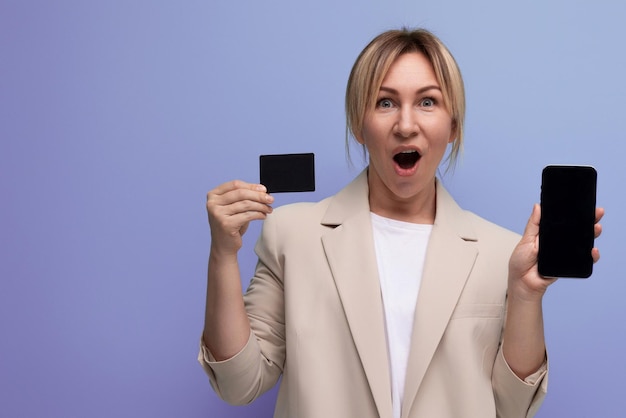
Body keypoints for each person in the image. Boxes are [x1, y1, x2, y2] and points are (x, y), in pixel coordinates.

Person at [199, 28, 604, 418]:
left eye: (427, 102)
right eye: (385, 102)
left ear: (453, 127)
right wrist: (222, 255)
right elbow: (239, 385)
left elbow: (513, 407)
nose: (406, 124)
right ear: (359, 125)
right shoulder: (292, 235)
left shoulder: (499, 252)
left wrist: (526, 296)